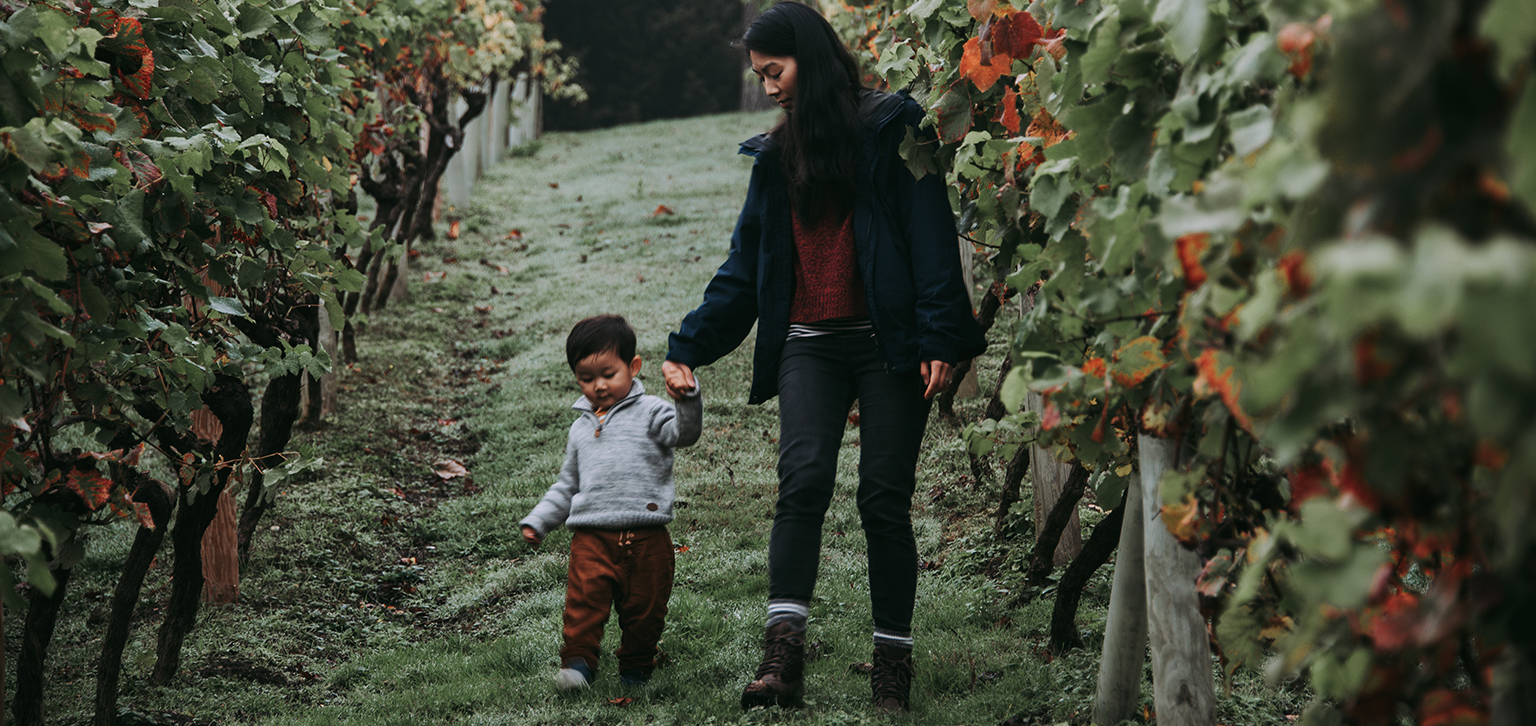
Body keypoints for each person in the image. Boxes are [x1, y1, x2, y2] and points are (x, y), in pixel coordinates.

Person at [660, 1, 986, 714]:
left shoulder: (893, 125)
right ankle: (783, 656)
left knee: (883, 499)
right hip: (810, 343)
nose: (769, 86)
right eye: (761, 75)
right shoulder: (776, 157)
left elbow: (930, 234)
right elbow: (745, 268)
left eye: (774, 71)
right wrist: (689, 345)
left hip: (888, 343)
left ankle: (892, 664)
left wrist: (938, 335)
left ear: (808, 55)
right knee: (802, 482)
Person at [521, 314, 702, 691]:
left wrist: (687, 399)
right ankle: (578, 665)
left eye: (608, 374)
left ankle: (635, 669)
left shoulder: (652, 411)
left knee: (646, 610)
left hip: (647, 535)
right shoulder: (580, 427)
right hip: (592, 536)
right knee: (583, 604)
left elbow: (684, 435)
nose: (598, 386)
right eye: (586, 378)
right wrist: (539, 519)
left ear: (632, 367)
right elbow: (567, 484)